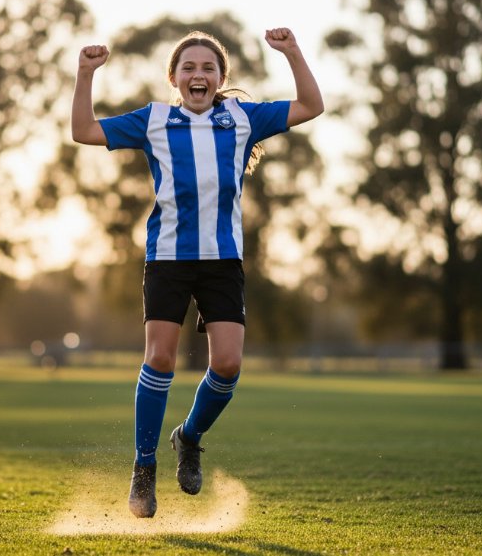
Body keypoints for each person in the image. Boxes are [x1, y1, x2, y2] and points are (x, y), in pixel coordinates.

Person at [71, 27, 323, 518]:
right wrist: (85, 74)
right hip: (167, 258)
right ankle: (144, 470)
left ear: (221, 77)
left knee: (228, 365)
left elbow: (310, 105)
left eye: (208, 67)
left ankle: (188, 437)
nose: (198, 74)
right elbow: (84, 131)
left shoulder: (242, 118)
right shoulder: (154, 121)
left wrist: (292, 51)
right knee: (160, 358)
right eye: (189, 67)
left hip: (222, 262)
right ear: (174, 78)